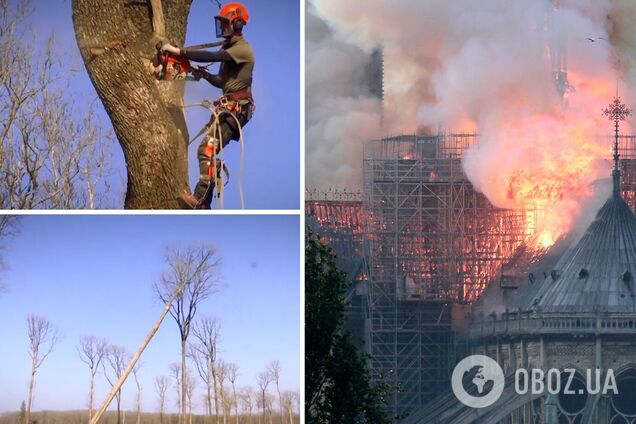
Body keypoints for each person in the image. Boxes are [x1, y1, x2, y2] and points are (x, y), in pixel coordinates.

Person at [161, 2, 255, 209]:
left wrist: (178, 51)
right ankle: (204, 203)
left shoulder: (242, 49)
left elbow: (211, 56)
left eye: (225, 23)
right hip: (229, 106)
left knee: (206, 149)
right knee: (208, 150)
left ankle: (200, 198)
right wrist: (203, 75)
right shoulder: (229, 49)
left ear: (237, 23)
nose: (221, 27)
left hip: (237, 108)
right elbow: (222, 82)